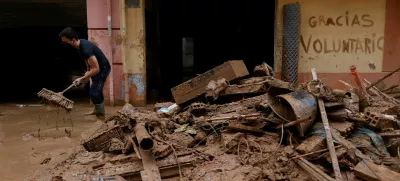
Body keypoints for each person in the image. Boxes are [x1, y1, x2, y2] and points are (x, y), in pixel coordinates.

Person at [59, 27, 111, 120]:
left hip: (103, 69)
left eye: (66, 42)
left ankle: (101, 117)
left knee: (94, 92)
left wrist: (82, 78)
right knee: (95, 91)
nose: (66, 44)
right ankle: (98, 110)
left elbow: (96, 69)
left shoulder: (86, 49)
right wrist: (87, 70)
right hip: (97, 68)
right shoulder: (80, 45)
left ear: (73, 40)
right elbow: (86, 59)